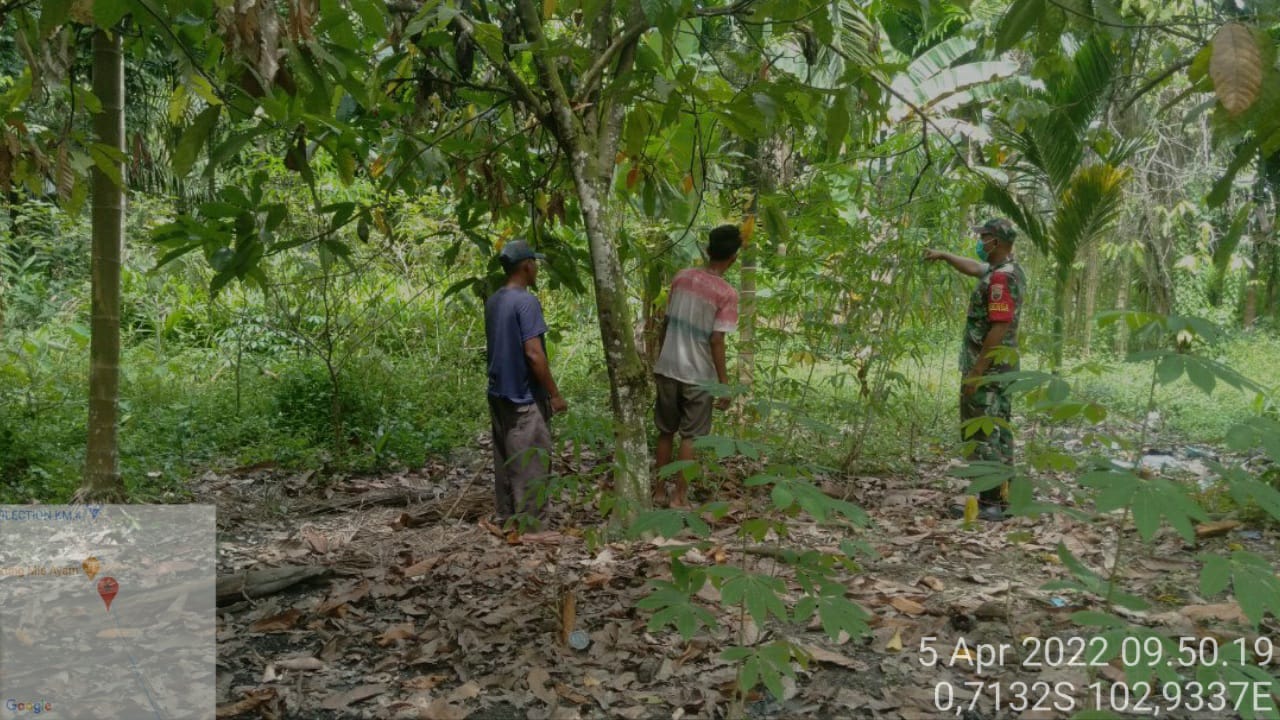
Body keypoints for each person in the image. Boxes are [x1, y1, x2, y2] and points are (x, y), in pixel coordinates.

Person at [924, 218, 1026, 522]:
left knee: (983, 431)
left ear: (996, 241)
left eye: (984, 238)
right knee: (999, 428)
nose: (980, 243)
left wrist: (977, 372)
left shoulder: (999, 281)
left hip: (989, 369)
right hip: (1003, 367)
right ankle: (1005, 495)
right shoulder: (1008, 270)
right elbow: (973, 267)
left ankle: (990, 502)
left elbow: (999, 326)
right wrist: (944, 255)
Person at [651, 224, 742, 507]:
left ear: (707, 249)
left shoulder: (681, 278)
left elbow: (665, 324)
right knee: (690, 436)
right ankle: (679, 496)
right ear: (734, 257)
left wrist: (660, 357)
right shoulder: (726, 294)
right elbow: (717, 340)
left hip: (667, 367)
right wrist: (723, 385)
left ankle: (657, 491)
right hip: (698, 376)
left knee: (666, 430)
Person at [484, 239, 567, 529]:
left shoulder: (494, 299)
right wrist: (554, 395)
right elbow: (533, 353)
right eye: (535, 264)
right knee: (531, 464)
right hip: (523, 397)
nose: (537, 270)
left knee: (506, 461)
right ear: (527, 265)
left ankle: (508, 519)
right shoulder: (526, 301)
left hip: (498, 392)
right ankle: (532, 528)